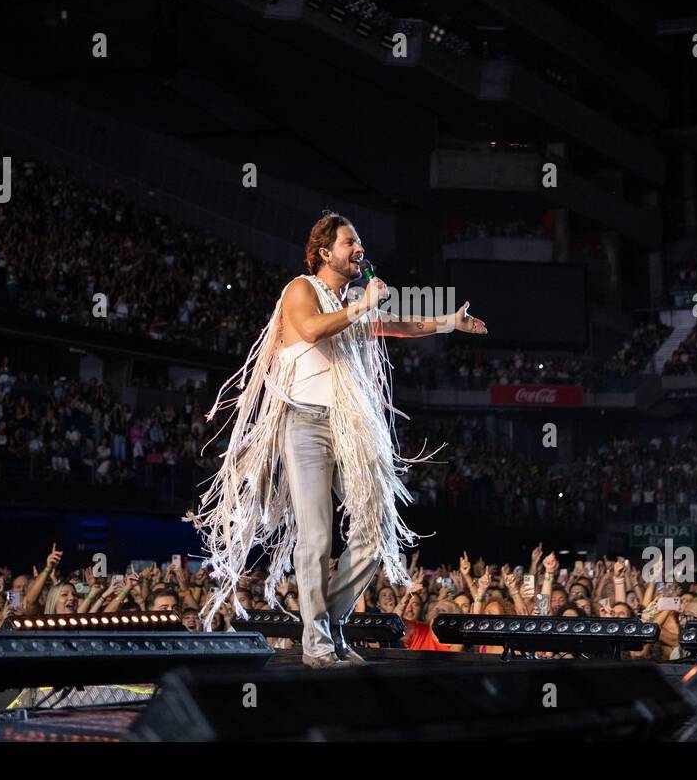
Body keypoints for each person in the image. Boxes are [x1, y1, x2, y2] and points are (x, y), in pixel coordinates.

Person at [194, 211, 488, 668]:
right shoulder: (301, 289)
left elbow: (399, 325)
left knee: (375, 531)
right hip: (304, 424)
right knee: (317, 537)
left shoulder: (353, 301)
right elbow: (311, 328)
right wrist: (361, 306)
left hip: (348, 427)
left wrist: (449, 321)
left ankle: (328, 625)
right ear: (324, 251)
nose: (359, 249)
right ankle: (317, 644)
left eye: (359, 242)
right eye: (351, 242)